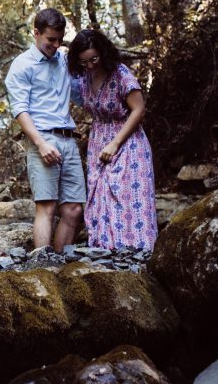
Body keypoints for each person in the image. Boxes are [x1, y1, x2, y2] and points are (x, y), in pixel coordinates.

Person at [67, 28, 157, 251]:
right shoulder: (84, 78)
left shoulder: (120, 73)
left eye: (94, 59)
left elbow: (139, 110)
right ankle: (107, 252)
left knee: (127, 197)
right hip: (99, 141)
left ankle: (138, 254)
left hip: (127, 141)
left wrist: (116, 142)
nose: (90, 65)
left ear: (103, 53)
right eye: (84, 62)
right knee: (101, 196)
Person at [4, 8, 86, 253]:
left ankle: (61, 266)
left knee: (73, 209)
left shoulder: (64, 61)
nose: (56, 45)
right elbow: (20, 110)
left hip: (69, 140)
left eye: (60, 40)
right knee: (47, 207)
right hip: (43, 140)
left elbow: (82, 95)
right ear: (36, 33)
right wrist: (40, 143)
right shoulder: (21, 65)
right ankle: (44, 268)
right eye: (51, 39)